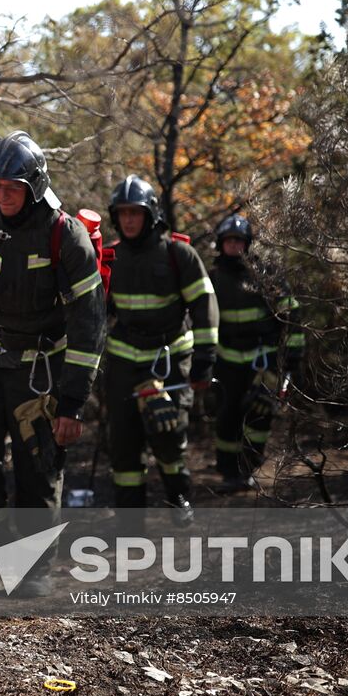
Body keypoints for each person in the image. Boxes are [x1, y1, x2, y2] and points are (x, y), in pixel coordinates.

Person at [0, 132, 104, 594]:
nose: (2, 195)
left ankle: (31, 571)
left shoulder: (65, 235)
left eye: (11, 187)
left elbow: (89, 322)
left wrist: (73, 403)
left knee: (38, 468)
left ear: (35, 184)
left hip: (44, 371)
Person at [100, 176, 217, 526]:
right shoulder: (110, 256)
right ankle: (129, 519)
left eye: (135, 212)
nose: (129, 220)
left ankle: (177, 499)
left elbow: (204, 304)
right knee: (123, 443)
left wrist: (205, 358)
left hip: (168, 361)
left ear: (150, 214)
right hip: (122, 361)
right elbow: (95, 312)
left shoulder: (178, 254)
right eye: (122, 214)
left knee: (168, 435)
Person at [209, 214, 304, 493]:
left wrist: (293, 358)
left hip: (263, 362)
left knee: (259, 416)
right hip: (225, 362)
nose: (234, 245)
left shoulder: (268, 277)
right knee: (227, 417)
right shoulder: (212, 279)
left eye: (239, 240)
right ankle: (228, 472)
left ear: (247, 244)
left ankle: (247, 467)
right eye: (229, 240)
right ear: (220, 244)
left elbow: (292, 317)